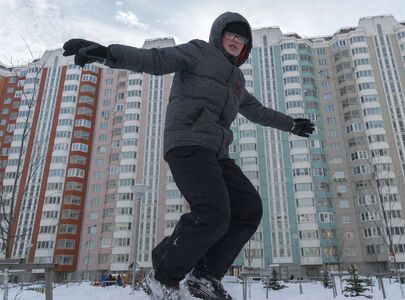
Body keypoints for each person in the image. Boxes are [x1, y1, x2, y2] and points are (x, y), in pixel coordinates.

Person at [63, 11, 314, 300]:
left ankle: (205, 276)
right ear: (218, 35)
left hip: (216, 152)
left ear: (246, 46)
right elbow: (156, 60)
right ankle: (162, 277)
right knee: (213, 213)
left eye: (241, 37)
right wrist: (107, 53)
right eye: (230, 33)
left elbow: (256, 110)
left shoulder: (236, 80)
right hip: (187, 143)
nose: (235, 40)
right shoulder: (198, 52)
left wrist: (291, 124)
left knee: (248, 208)